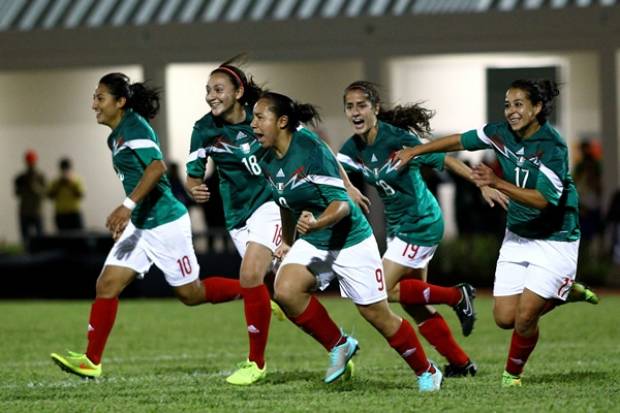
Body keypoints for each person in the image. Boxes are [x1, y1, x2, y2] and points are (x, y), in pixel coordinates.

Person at [395, 79, 598, 386]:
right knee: (504, 319)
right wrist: (417, 150)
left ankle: (511, 377)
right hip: (518, 235)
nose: (511, 111)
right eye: (507, 104)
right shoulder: (499, 133)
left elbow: (543, 200)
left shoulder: (552, 145)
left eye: (518, 104)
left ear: (537, 108)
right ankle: (564, 292)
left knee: (525, 317)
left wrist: (495, 182)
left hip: (555, 238)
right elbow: (458, 141)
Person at [185, 59, 367, 385]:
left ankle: (256, 363)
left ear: (239, 92)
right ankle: (338, 344)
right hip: (236, 217)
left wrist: (348, 186)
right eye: (207, 90)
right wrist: (194, 189)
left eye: (218, 89)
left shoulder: (265, 117)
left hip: (270, 206)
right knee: (282, 295)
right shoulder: (204, 130)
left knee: (250, 275)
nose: (211, 96)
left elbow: (314, 146)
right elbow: (192, 176)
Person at [50, 73, 243, 379]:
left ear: (120, 102)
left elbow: (157, 167)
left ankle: (253, 292)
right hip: (141, 225)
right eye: (94, 98)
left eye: (100, 98)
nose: (94, 105)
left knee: (191, 294)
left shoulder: (134, 127)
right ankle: (91, 360)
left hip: (165, 222)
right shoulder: (115, 136)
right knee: (107, 285)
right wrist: (129, 214)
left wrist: (126, 207)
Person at [252, 91, 443, 392]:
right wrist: (288, 241)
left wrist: (316, 222)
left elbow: (340, 206)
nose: (253, 124)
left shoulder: (309, 152)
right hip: (316, 239)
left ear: (282, 121)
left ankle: (427, 370)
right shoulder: (265, 156)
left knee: (376, 315)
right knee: (286, 290)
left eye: (260, 117)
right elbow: (285, 201)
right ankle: (339, 345)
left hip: (350, 239)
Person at [337, 81, 508, 377]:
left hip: (421, 222)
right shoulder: (352, 148)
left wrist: (481, 183)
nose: (355, 112)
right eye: (350, 106)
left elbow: (445, 160)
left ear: (375, 109)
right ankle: (461, 363)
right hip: (398, 227)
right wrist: (348, 187)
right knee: (414, 304)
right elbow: (330, 169)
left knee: (382, 291)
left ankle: (457, 296)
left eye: (362, 105)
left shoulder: (398, 139)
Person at [14, 149, 46, 249]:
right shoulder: (20, 177)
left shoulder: (40, 176)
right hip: (24, 211)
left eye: (32, 161)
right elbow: (17, 193)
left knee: (40, 238)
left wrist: (34, 186)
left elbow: (44, 193)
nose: (30, 163)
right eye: (29, 161)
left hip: (37, 211)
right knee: (25, 239)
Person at [47, 157, 85, 231]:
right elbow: (50, 196)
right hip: (60, 214)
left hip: (74, 213)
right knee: (62, 239)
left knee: (79, 237)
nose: (65, 171)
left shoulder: (76, 181)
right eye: (63, 169)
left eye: (67, 169)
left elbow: (80, 195)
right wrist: (59, 185)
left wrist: (71, 184)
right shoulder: (55, 182)